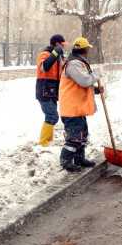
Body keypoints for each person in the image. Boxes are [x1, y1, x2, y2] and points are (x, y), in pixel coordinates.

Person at [58, 37, 103, 172]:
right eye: (87, 49)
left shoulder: (79, 63)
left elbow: (80, 85)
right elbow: (84, 81)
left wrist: (95, 90)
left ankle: (79, 159)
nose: (88, 51)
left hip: (77, 108)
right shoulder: (73, 64)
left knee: (82, 135)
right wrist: (96, 74)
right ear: (84, 50)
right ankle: (66, 161)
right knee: (74, 138)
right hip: (71, 109)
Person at [36, 34, 66, 147]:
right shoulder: (44, 54)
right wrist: (55, 53)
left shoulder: (59, 57)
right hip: (44, 90)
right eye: (62, 45)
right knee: (52, 116)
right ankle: (43, 142)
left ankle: (48, 141)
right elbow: (44, 67)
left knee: (50, 116)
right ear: (57, 44)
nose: (63, 47)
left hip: (52, 91)